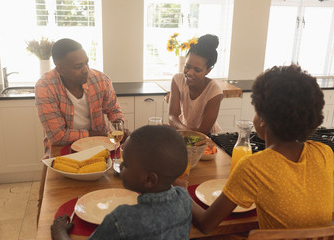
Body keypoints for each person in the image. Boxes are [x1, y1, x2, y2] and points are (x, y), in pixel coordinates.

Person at [192, 64, 334, 233]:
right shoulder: (324, 153)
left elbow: (206, 224)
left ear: (262, 120)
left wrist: (178, 189)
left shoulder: (253, 167)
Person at [35, 38, 126, 223]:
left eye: (86, 63)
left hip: (101, 149)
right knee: (49, 207)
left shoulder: (100, 79)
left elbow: (114, 110)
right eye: (78, 66)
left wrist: (119, 125)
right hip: (61, 153)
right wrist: (94, 134)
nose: (86, 69)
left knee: (102, 198)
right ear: (60, 69)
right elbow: (58, 136)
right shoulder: (45, 86)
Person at [51, 125, 193, 240]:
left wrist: (59, 232)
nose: (120, 167)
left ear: (149, 180)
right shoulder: (185, 199)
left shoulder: (121, 220)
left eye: (126, 165)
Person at [169, 34, 223, 135]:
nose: (189, 73)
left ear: (208, 71)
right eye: (187, 67)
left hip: (209, 138)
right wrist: (182, 130)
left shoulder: (214, 91)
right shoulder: (177, 80)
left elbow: (202, 131)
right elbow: (172, 117)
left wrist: (178, 128)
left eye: (197, 70)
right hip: (184, 133)